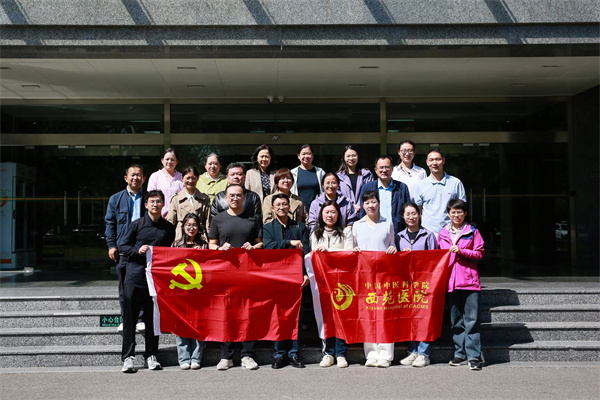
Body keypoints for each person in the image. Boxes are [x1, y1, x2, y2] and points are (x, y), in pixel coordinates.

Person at [119, 190, 176, 373]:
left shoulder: (168, 228)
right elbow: (123, 246)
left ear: (163, 204)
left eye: (158, 201)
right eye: (152, 202)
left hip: (156, 280)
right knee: (130, 320)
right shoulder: (137, 225)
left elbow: (169, 253)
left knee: (153, 320)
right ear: (146, 205)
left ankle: (151, 355)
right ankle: (128, 357)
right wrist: (137, 251)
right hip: (134, 278)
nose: (155, 205)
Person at [208, 184, 263, 371]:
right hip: (225, 274)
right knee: (226, 315)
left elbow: (260, 243)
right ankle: (226, 356)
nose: (235, 198)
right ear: (225, 197)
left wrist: (253, 247)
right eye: (231, 195)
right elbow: (211, 244)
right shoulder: (218, 219)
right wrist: (220, 248)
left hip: (248, 274)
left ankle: (248, 355)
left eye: (239, 195)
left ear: (244, 197)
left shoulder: (253, 218)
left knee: (248, 314)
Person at [262, 193, 310, 369]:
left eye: (284, 204)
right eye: (278, 205)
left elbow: (306, 251)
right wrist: (289, 242)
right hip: (277, 276)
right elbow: (268, 247)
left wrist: (305, 273)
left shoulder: (300, 226)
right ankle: (279, 354)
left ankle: (294, 353)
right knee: (278, 316)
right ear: (273, 209)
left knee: (295, 316)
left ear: (289, 207)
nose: (281, 207)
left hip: (296, 276)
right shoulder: (268, 228)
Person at [438, 198, 485, 371]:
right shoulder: (442, 233)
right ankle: (459, 353)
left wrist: (461, 251)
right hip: (450, 282)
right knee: (456, 321)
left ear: (465, 214)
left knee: (472, 320)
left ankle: (474, 356)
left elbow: (479, 254)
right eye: (453, 212)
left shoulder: (473, 232)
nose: (456, 215)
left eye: (459, 212)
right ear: (448, 214)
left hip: (469, 281)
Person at [352, 191, 397, 368]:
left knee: (385, 314)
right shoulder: (357, 225)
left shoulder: (388, 223)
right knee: (368, 314)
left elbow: (392, 244)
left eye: (373, 202)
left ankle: (385, 354)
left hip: (384, 276)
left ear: (379, 203)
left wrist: (393, 249)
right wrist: (354, 251)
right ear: (362, 206)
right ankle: (371, 354)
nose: (370, 206)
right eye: (367, 203)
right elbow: (353, 248)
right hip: (365, 277)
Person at [104, 164, 147, 333]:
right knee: (124, 287)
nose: (136, 178)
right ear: (126, 178)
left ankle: (141, 318)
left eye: (139, 175)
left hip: (143, 248)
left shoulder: (148, 198)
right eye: (132, 175)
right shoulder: (116, 199)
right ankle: (126, 319)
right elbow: (110, 223)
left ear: (144, 178)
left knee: (143, 285)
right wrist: (111, 245)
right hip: (123, 248)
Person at [310, 200, 353, 368]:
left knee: (341, 317)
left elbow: (349, 253)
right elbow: (313, 257)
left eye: (333, 212)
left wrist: (329, 252)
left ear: (338, 215)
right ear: (321, 214)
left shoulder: (346, 232)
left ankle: (341, 353)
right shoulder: (315, 234)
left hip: (341, 282)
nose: (330, 215)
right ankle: (328, 353)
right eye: (327, 212)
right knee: (326, 317)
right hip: (322, 282)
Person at [396, 202, 438, 368]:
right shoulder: (399, 237)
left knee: (424, 318)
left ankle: (424, 353)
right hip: (406, 284)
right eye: (408, 214)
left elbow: (434, 260)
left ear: (419, 215)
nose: (411, 217)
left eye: (414, 213)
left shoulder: (428, 235)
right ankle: (412, 351)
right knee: (410, 318)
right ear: (403, 216)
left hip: (424, 283)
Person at [171, 213, 207, 370]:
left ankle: (196, 357)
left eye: (194, 225)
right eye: (188, 225)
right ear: (183, 226)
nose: (191, 228)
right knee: (181, 324)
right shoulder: (176, 245)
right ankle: (184, 358)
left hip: (199, 292)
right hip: (181, 292)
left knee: (199, 324)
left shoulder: (204, 245)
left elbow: (210, 267)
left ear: (198, 227)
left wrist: (203, 254)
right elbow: (169, 266)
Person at [412, 148, 467, 236]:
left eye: (438, 159)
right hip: (428, 233)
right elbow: (418, 211)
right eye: (431, 160)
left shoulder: (455, 183)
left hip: (451, 233)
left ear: (443, 160)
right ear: (427, 162)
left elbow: (461, 209)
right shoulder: (420, 185)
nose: (434, 163)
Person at [358, 155, 411, 235]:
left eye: (387, 167)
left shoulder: (402, 188)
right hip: (374, 232)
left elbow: (407, 211)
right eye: (381, 167)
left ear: (392, 169)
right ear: (376, 170)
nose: (384, 170)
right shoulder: (367, 188)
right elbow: (363, 212)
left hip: (397, 232)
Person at [166, 166, 210, 244]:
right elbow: (171, 223)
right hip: (181, 238)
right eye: (188, 178)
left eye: (193, 178)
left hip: (200, 238)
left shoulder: (204, 199)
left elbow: (208, 223)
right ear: (182, 178)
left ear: (197, 179)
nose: (190, 181)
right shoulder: (176, 199)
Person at [147, 148, 184, 217]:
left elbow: (184, 199)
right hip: (159, 216)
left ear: (176, 162)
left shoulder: (182, 178)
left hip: (177, 216)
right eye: (167, 159)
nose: (169, 162)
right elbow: (150, 198)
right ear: (162, 160)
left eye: (172, 160)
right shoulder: (155, 176)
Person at [337, 145, 374, 213]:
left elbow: (370, 194)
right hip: (345, 212)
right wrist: (352, 206)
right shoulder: (338, 177)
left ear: (358, 157)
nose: (351, 158)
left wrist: (361, 206)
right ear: (344, 158)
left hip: (364, 212)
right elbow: (337, 196)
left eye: (354, 155)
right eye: (348, 156)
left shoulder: (366, 175)